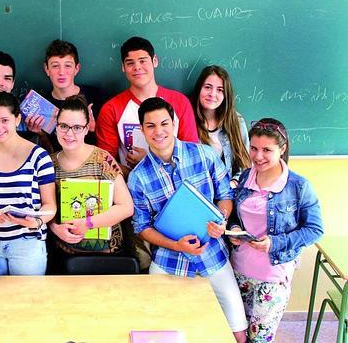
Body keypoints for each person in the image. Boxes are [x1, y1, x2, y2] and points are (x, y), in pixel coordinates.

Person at [127, 97, 247, 343]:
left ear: (175, 123)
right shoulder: (138, 178)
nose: (158, 131)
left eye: (164, 123)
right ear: (142, 130)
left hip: (213, 255)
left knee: (237, 330)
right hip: (168, 261)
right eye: (150, 126)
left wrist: (221, 219)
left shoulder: (204, 155)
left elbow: (225, 195)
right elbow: (142, 227)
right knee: (162, 331)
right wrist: (176, 245)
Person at [228, 118, 324, 342]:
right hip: (238, 271)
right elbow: (234, 214)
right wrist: (233, 229)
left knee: (259, 338)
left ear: (282, 149)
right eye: (253, 148)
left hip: (272, 276)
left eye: (266, 150)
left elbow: (315, 229)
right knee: (234, 335)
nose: (258, 156)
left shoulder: (298, 186)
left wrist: (275, 242)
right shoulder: (243, 178)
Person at [0, 91, 56, 275]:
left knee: (26, 299)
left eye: (4, 120)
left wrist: (36, 221)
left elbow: (50, 206)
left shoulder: (39, 156)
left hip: (27, 241)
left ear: (17, 119)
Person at [48, 95, 134, 273]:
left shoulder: (103, 160)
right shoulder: (48, 164)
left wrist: (87, 223)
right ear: (56, 127)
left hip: (108, 255)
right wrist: (55, 228)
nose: (69, 134)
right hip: (64, 257)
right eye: (63, 126)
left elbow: (126, 207)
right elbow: (44, 208)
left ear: (87, 129)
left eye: (77, 128)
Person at [96, 36, 198, 177]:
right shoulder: (111, 109)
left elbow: (193, 156)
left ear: (154, 61)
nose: (137, 67)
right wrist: (138, 173)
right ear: (123, 67)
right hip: (131, 190)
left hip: (177, 186)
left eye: (143, 61)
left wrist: (147, 162)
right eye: (130, 63)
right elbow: (106, 162)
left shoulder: (179, 102)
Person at [26, 39, 107, 153]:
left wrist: (93, 129)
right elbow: (51, 155)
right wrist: (40, 134)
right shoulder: (40, 105)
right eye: (55, 66)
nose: (61, 72)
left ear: (77, 69)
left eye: (68, 66)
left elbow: (106, 150)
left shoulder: (96, 97)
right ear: (46, 69)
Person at [192, 65, 250, 187]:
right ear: (199, 88)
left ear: (226, 95)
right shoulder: (188, 119)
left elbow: (246, 163)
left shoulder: (236, 121)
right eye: (207, 87)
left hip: (230, 195)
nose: (212, 94)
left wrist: (233, 183)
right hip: (198, 194)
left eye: (220, 90)